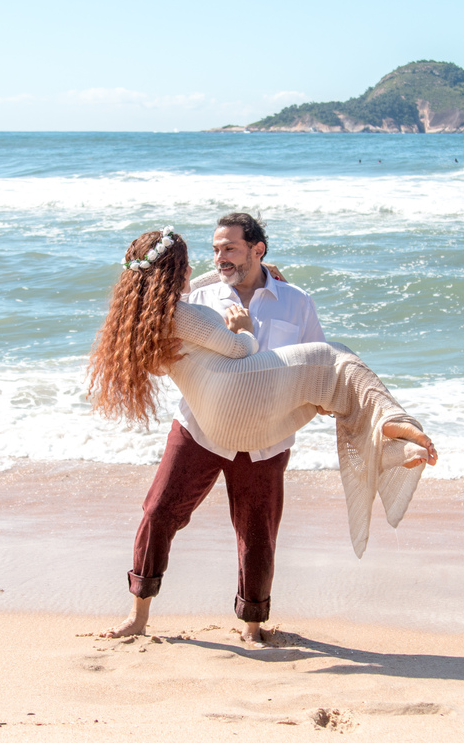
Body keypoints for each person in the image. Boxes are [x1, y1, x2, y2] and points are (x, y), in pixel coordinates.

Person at [87, 217, 437, 645]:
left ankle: (252, 626)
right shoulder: (198, 294)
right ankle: (138, 615)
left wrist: (324, 400)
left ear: (258, 250)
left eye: (230, 249)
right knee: (159, 512)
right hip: (201, 425)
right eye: (215, 250)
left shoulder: (296, 301)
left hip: (266, 434)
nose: (220, 258)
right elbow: (165, 298)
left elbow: (311, 367)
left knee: (257, 533)